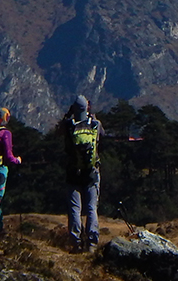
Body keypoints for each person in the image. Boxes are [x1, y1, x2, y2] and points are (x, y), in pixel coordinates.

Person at [60, 96, 101, 251]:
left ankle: (75, 242)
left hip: (73, 173)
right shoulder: (95, 124)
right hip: (91, 172)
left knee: (75, 208)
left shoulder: (68, 125)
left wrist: (67, 115)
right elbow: (101, 137)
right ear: (87, 108)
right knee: (91, 207)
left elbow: (59, 132)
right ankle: (92, 242)